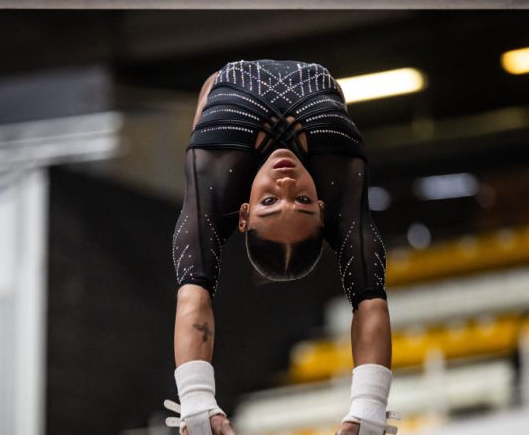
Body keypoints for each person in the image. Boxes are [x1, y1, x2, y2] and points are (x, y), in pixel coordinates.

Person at [167, 60, 396, 435]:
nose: (286, 183)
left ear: (243, 214)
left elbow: (194, 298)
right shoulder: (341, 192)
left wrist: (196, 399)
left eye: (269, 202)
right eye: (305, 200)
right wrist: (368, 409)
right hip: (318, 101)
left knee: (203, 135)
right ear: (324, 210)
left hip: (231, 98)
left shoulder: (213, 191)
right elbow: (370, 300)